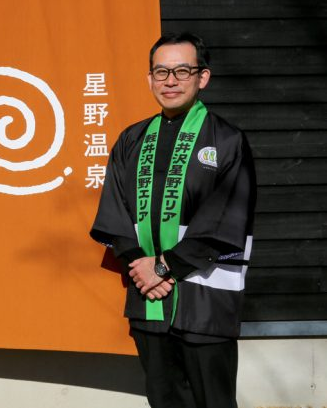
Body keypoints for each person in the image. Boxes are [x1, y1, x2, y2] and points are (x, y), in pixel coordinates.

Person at [90, 32, 256, 408]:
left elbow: (224, 220)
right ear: (149, 78)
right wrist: (141, 267)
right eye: (161, 72)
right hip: (150, 303)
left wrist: (162, 268)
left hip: (206, 301)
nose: (170, 81)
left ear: (203, 77)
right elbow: (115, 215)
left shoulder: (227, 141)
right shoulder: (131, 140)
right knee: (163, 400)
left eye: (182, 71)